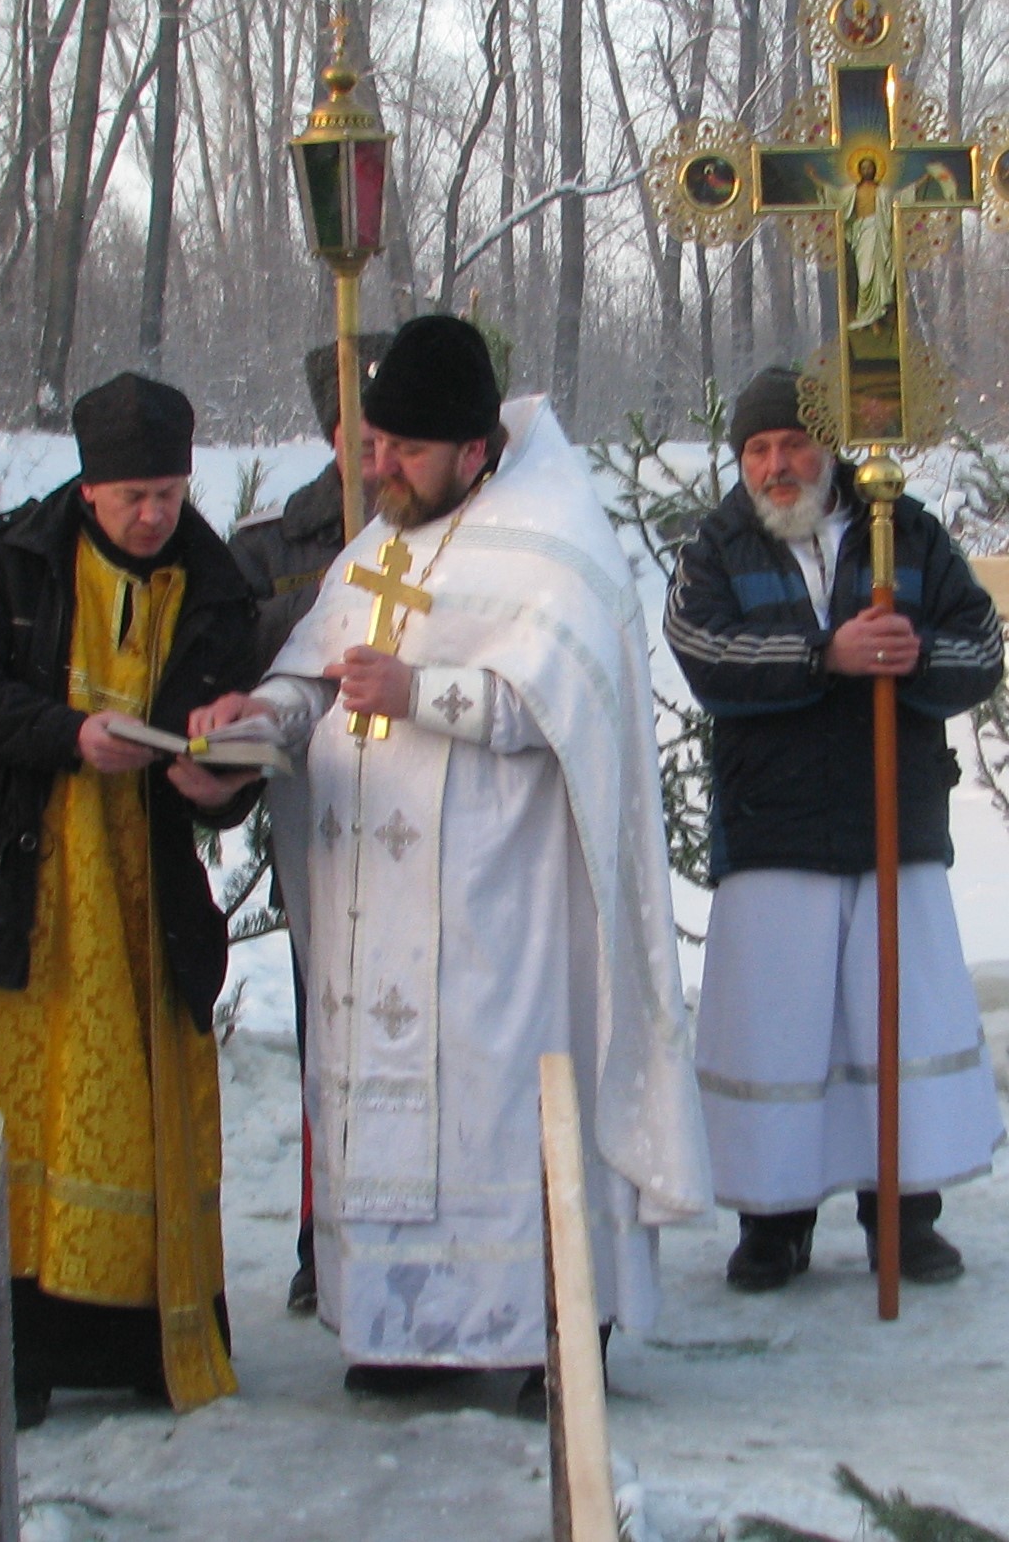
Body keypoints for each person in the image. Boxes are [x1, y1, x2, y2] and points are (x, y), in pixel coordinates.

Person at [193, 315, 709, 1413]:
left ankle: (554, 1326)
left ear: (473, 451)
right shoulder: (378, 541)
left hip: (502, 909)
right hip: (371, 907)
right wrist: (258, 716)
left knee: (500, 1105)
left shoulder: (554, 540)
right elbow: (318, 672)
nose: (378, 467)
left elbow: (568, 706)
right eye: (372, 444)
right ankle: (400, 1325)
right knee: (381, 1103)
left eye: (404, 451)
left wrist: (420, 693)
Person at [0, 372, 260, 1424]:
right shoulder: (8, 561)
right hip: (5, 879)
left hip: (140, 893)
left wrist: (221, 772)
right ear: (88, 490)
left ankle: (123, 1342)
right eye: (133, 495)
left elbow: (230, 737)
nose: (152, 515)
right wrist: (64, 734)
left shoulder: (213, 584)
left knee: (123, 1121)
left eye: (169, 495)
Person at [665, 365, 1006, 1293]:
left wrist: (917, 654)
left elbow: (982, 645)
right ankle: (773, 1225)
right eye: (758, 450)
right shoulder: (715, 546)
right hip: (772, 828)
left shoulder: (908, 532)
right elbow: (707, 655)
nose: (778, 466)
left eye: (793, 445)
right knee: (774, 1036)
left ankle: (905, 1214)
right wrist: (827, 654)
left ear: (829, 448)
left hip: (894, 822)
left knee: (894, 1024)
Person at [225, 331, 391, 1317]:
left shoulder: (459, 536)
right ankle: (318, 1230)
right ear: (328, 433)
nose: (370, 454)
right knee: (324, 1037)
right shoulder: (271, 544)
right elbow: (236, 658)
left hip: (423, 827)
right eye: (351, 432)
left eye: (388, 433)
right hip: (320, 826)